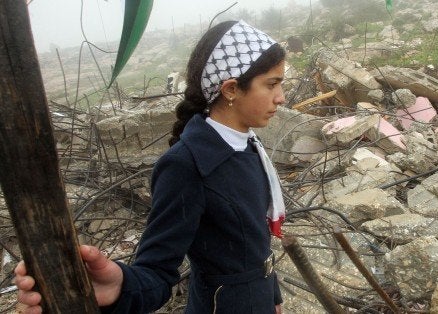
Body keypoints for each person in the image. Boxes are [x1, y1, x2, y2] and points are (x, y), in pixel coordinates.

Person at [14, 19, 287, 314]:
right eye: (271, 84)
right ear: (231, 89)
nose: (280, 97)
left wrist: (272, 295)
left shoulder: (247, 145)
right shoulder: (186, 166)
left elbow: (255, 242)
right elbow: (157, 271)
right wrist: (119, 286)